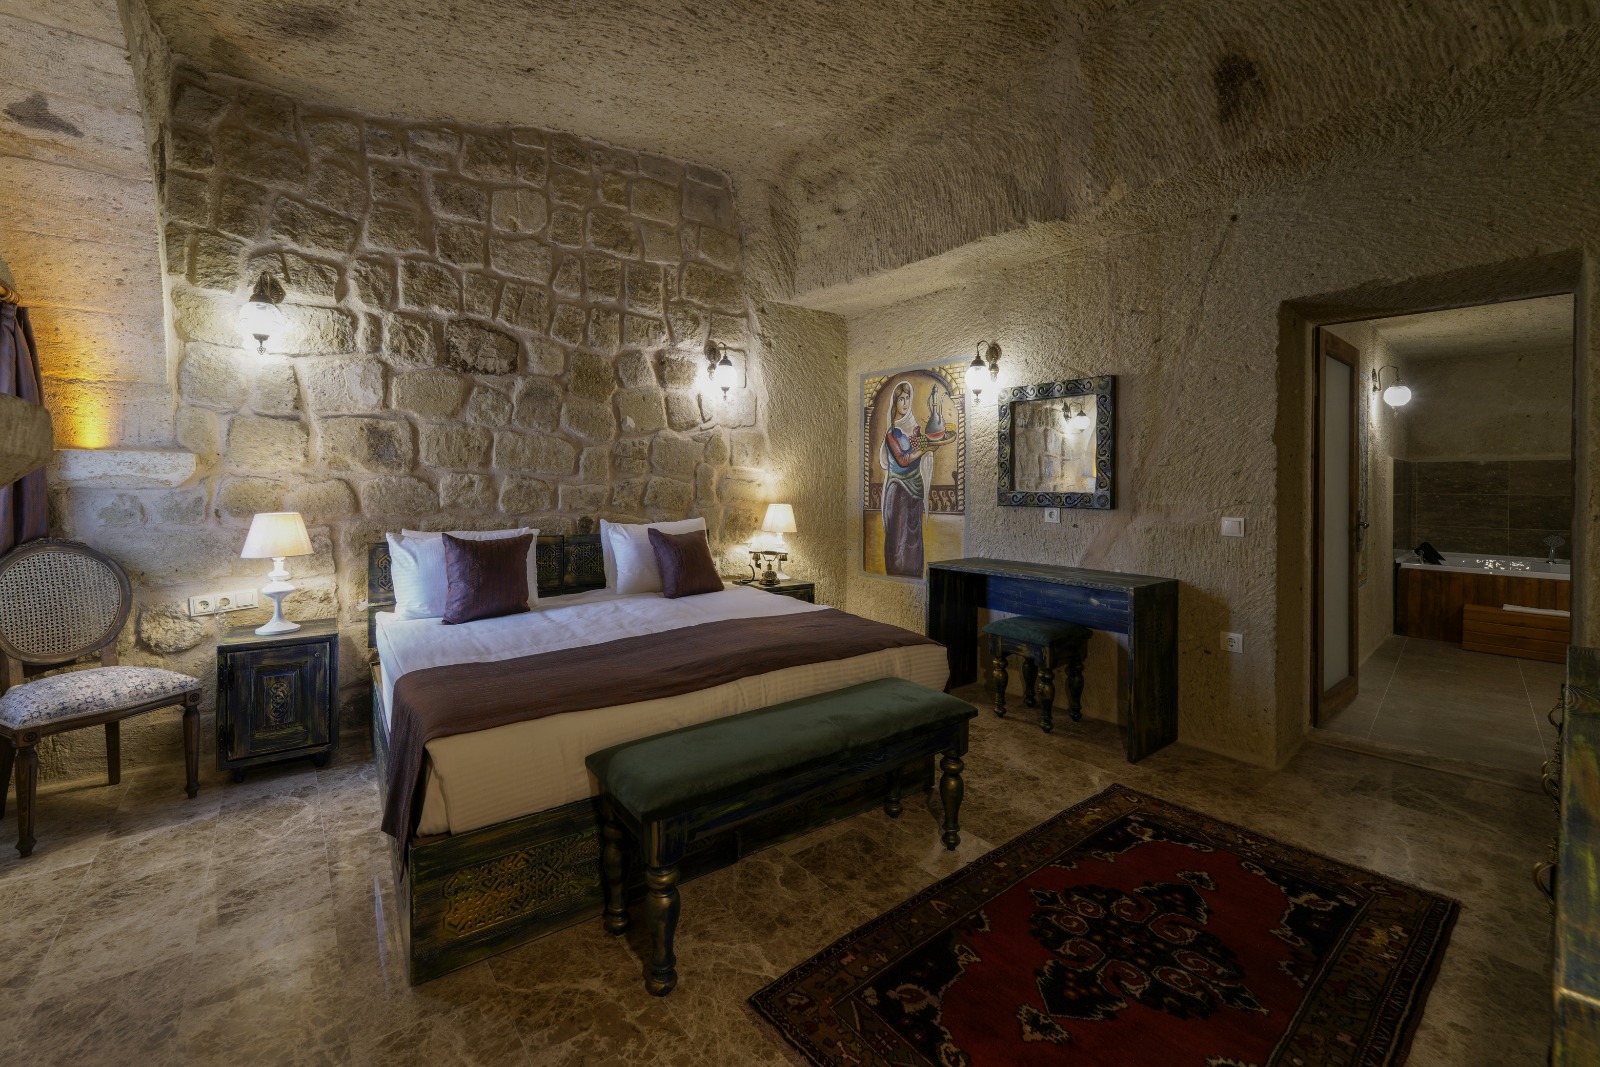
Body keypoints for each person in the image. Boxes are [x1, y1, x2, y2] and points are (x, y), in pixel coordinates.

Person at [878, 381, 934, 577]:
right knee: (899, 538)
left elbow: (919, 449)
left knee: (913, 536)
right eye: (901, 399)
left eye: (908, 398)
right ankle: (897, 576)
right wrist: (923, 450)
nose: (905, 403)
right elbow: (902, 460)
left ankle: (913, 574)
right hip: (899, 489)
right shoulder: (891, 434)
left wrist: (927, 446)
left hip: (915, 488)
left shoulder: (914, 429)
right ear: (895, 402)